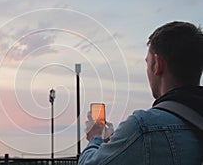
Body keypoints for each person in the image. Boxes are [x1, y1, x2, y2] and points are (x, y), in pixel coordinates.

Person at [78, 21, 203, 164]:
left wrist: (95, 137)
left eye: (147, 63)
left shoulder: (144, 127)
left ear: (157, 65)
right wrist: (113, 142)